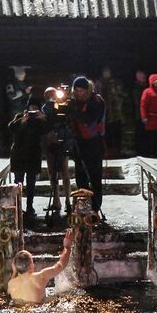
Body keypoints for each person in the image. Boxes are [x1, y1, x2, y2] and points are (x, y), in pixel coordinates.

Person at [67, 76, 108, 212]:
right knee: (81, 177)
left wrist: (72, 110)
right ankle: (84, 207)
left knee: (95, 177)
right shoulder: (74, 102)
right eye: (77, 90)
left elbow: (89, 119)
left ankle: (95, 209)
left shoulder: (96, 101)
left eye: (82, 90)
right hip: (78, 143)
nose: (80, 93)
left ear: (88, 89)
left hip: (94, 142)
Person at [8, 92, 49, 219]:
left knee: (31, 183)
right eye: (31, 107)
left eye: (36, 108)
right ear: (28, 108)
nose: (33, 110)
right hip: (19, 154)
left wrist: (43, 119)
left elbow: (47, 131)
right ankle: (17, 207)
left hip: (33, 154)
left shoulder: (40, 120)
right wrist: (22, 121)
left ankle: (29, 207)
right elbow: (11, 128)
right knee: (18, 182)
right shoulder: (20, 116)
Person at [7, 232, 73, 304]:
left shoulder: (11, 284)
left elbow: (8, 291)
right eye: (32, 261)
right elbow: (61, 265)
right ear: (30, 266)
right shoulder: (41, 276)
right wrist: (67, 247)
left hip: (19, 312)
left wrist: (14, 272)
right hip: (38, 311)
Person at [41, 88, 71, 217]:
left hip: (63, 143)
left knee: (64, 172)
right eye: (48, 95)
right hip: (50, 144)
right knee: (52, 173)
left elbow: (67, 121)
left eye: (53, 94)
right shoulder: (45, 108)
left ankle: (68, 201)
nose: (52, 97)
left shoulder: (63, 106)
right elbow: (45, 123)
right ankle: (56, 200)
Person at [99, 66, 129, 157]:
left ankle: (118, 151)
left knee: (117, 132)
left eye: (108, 72)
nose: (106, 74)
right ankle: (107, 150)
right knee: (106, 132)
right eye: (105, 72)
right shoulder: (99, 83)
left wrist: (117, 93)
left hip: (115, 111)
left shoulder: (116, 82)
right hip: (103, 112)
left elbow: (123, 94)